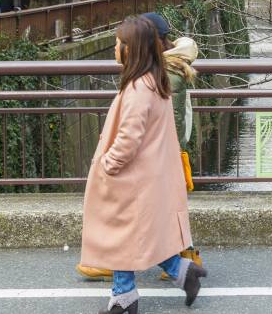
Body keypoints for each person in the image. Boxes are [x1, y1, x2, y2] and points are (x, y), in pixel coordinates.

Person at [79, 17, 206, 312]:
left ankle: (126, 297)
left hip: (130, 176)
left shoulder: (138, 88)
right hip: (144, 174)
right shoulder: (154, 80)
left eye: (118, 44)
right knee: (131, 236)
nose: (115, 48)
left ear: (131, 50)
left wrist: (108, 164)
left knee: (123, 235)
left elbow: (128, 138)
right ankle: (180, 274)